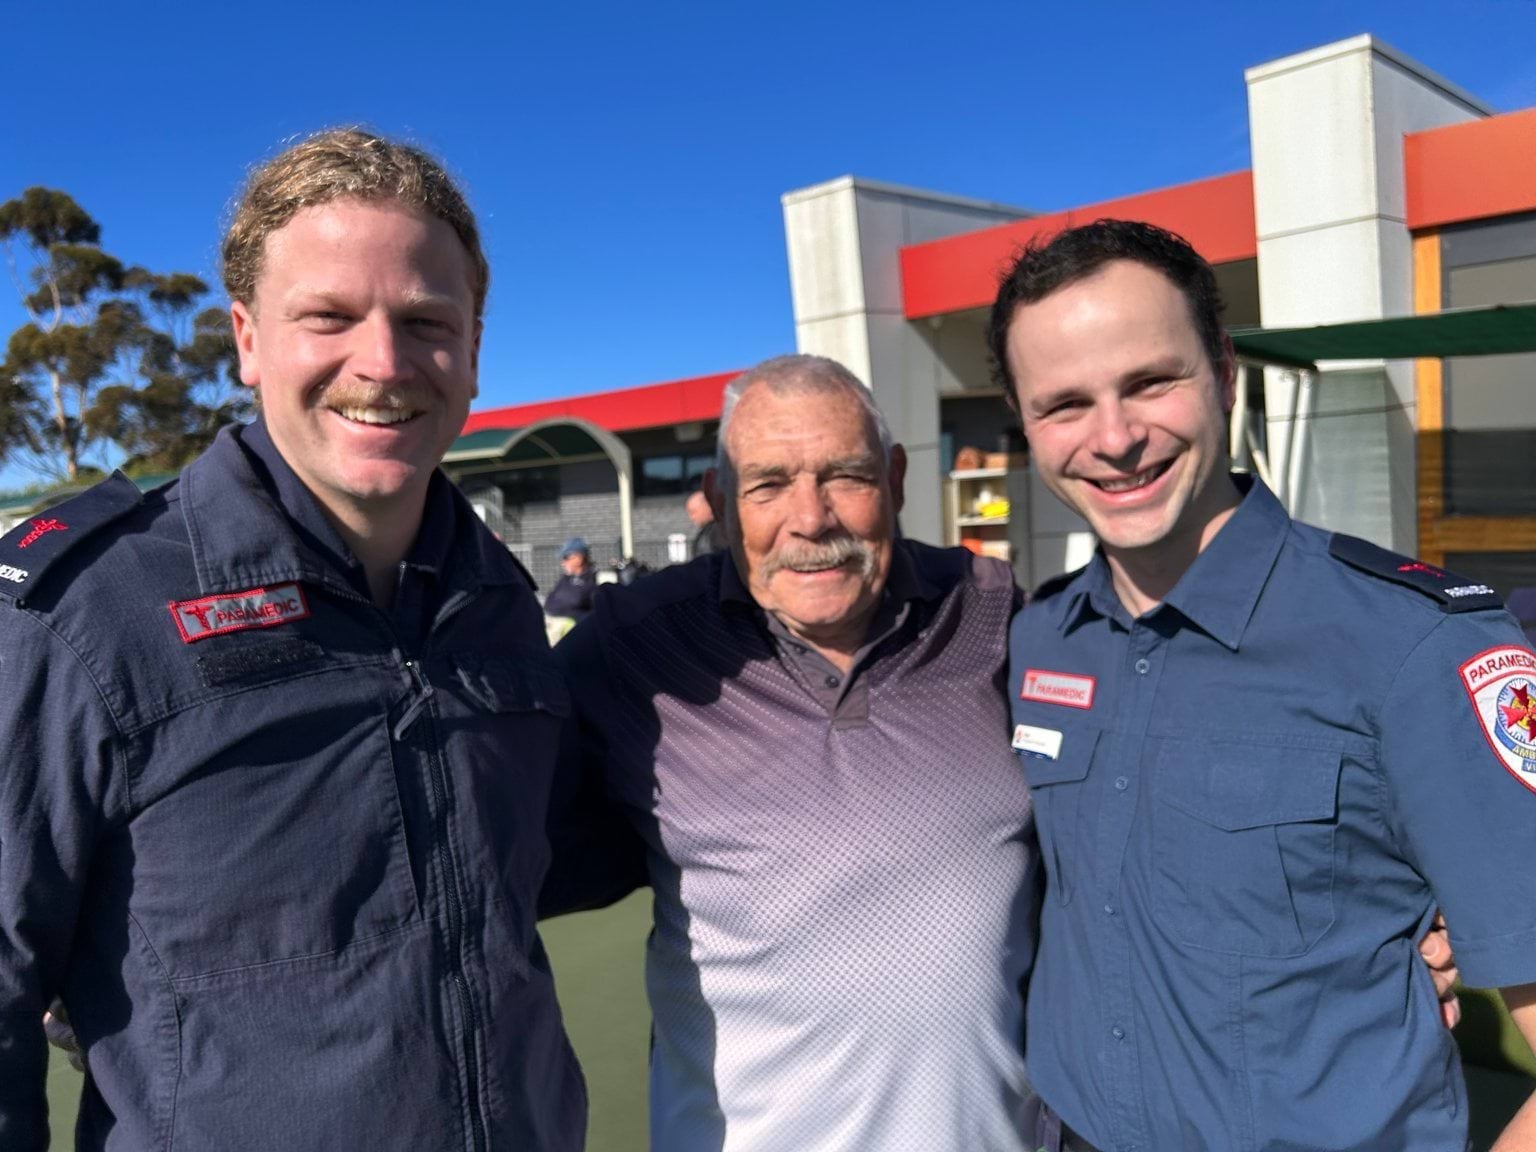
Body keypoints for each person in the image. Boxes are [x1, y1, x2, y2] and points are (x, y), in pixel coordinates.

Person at [0, 129, 585, 1151]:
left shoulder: (496, 597)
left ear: (477, 347)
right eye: (329, 317)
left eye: (426, 320)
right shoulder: (85, 612)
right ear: (247, 339)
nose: (385, 363)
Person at [988, 218, 1536, 1151]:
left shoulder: (1412, 646)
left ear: (1225, 375)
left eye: (1152, 381)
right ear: (1029, 426)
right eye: (1064, 404)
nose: (1115, 437)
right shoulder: (1037, 639)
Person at [546, 354, 1046, 1151]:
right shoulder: (634, 647)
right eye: (767, 485)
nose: (811, 520)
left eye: (844, 476)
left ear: (895, 479)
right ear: (715, 503)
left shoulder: (993, 615)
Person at [543, 535, 597, 622]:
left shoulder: (594, 580)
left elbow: (576, 601)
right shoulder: (565, 579)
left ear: (578, 558)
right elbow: (549, 603)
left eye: (566, 558)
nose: (563, 563)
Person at [685, 487, 721, 555]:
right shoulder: (708, 532)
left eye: (693, 512)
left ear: (708, 507)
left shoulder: (716, 533)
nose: (692, 517)